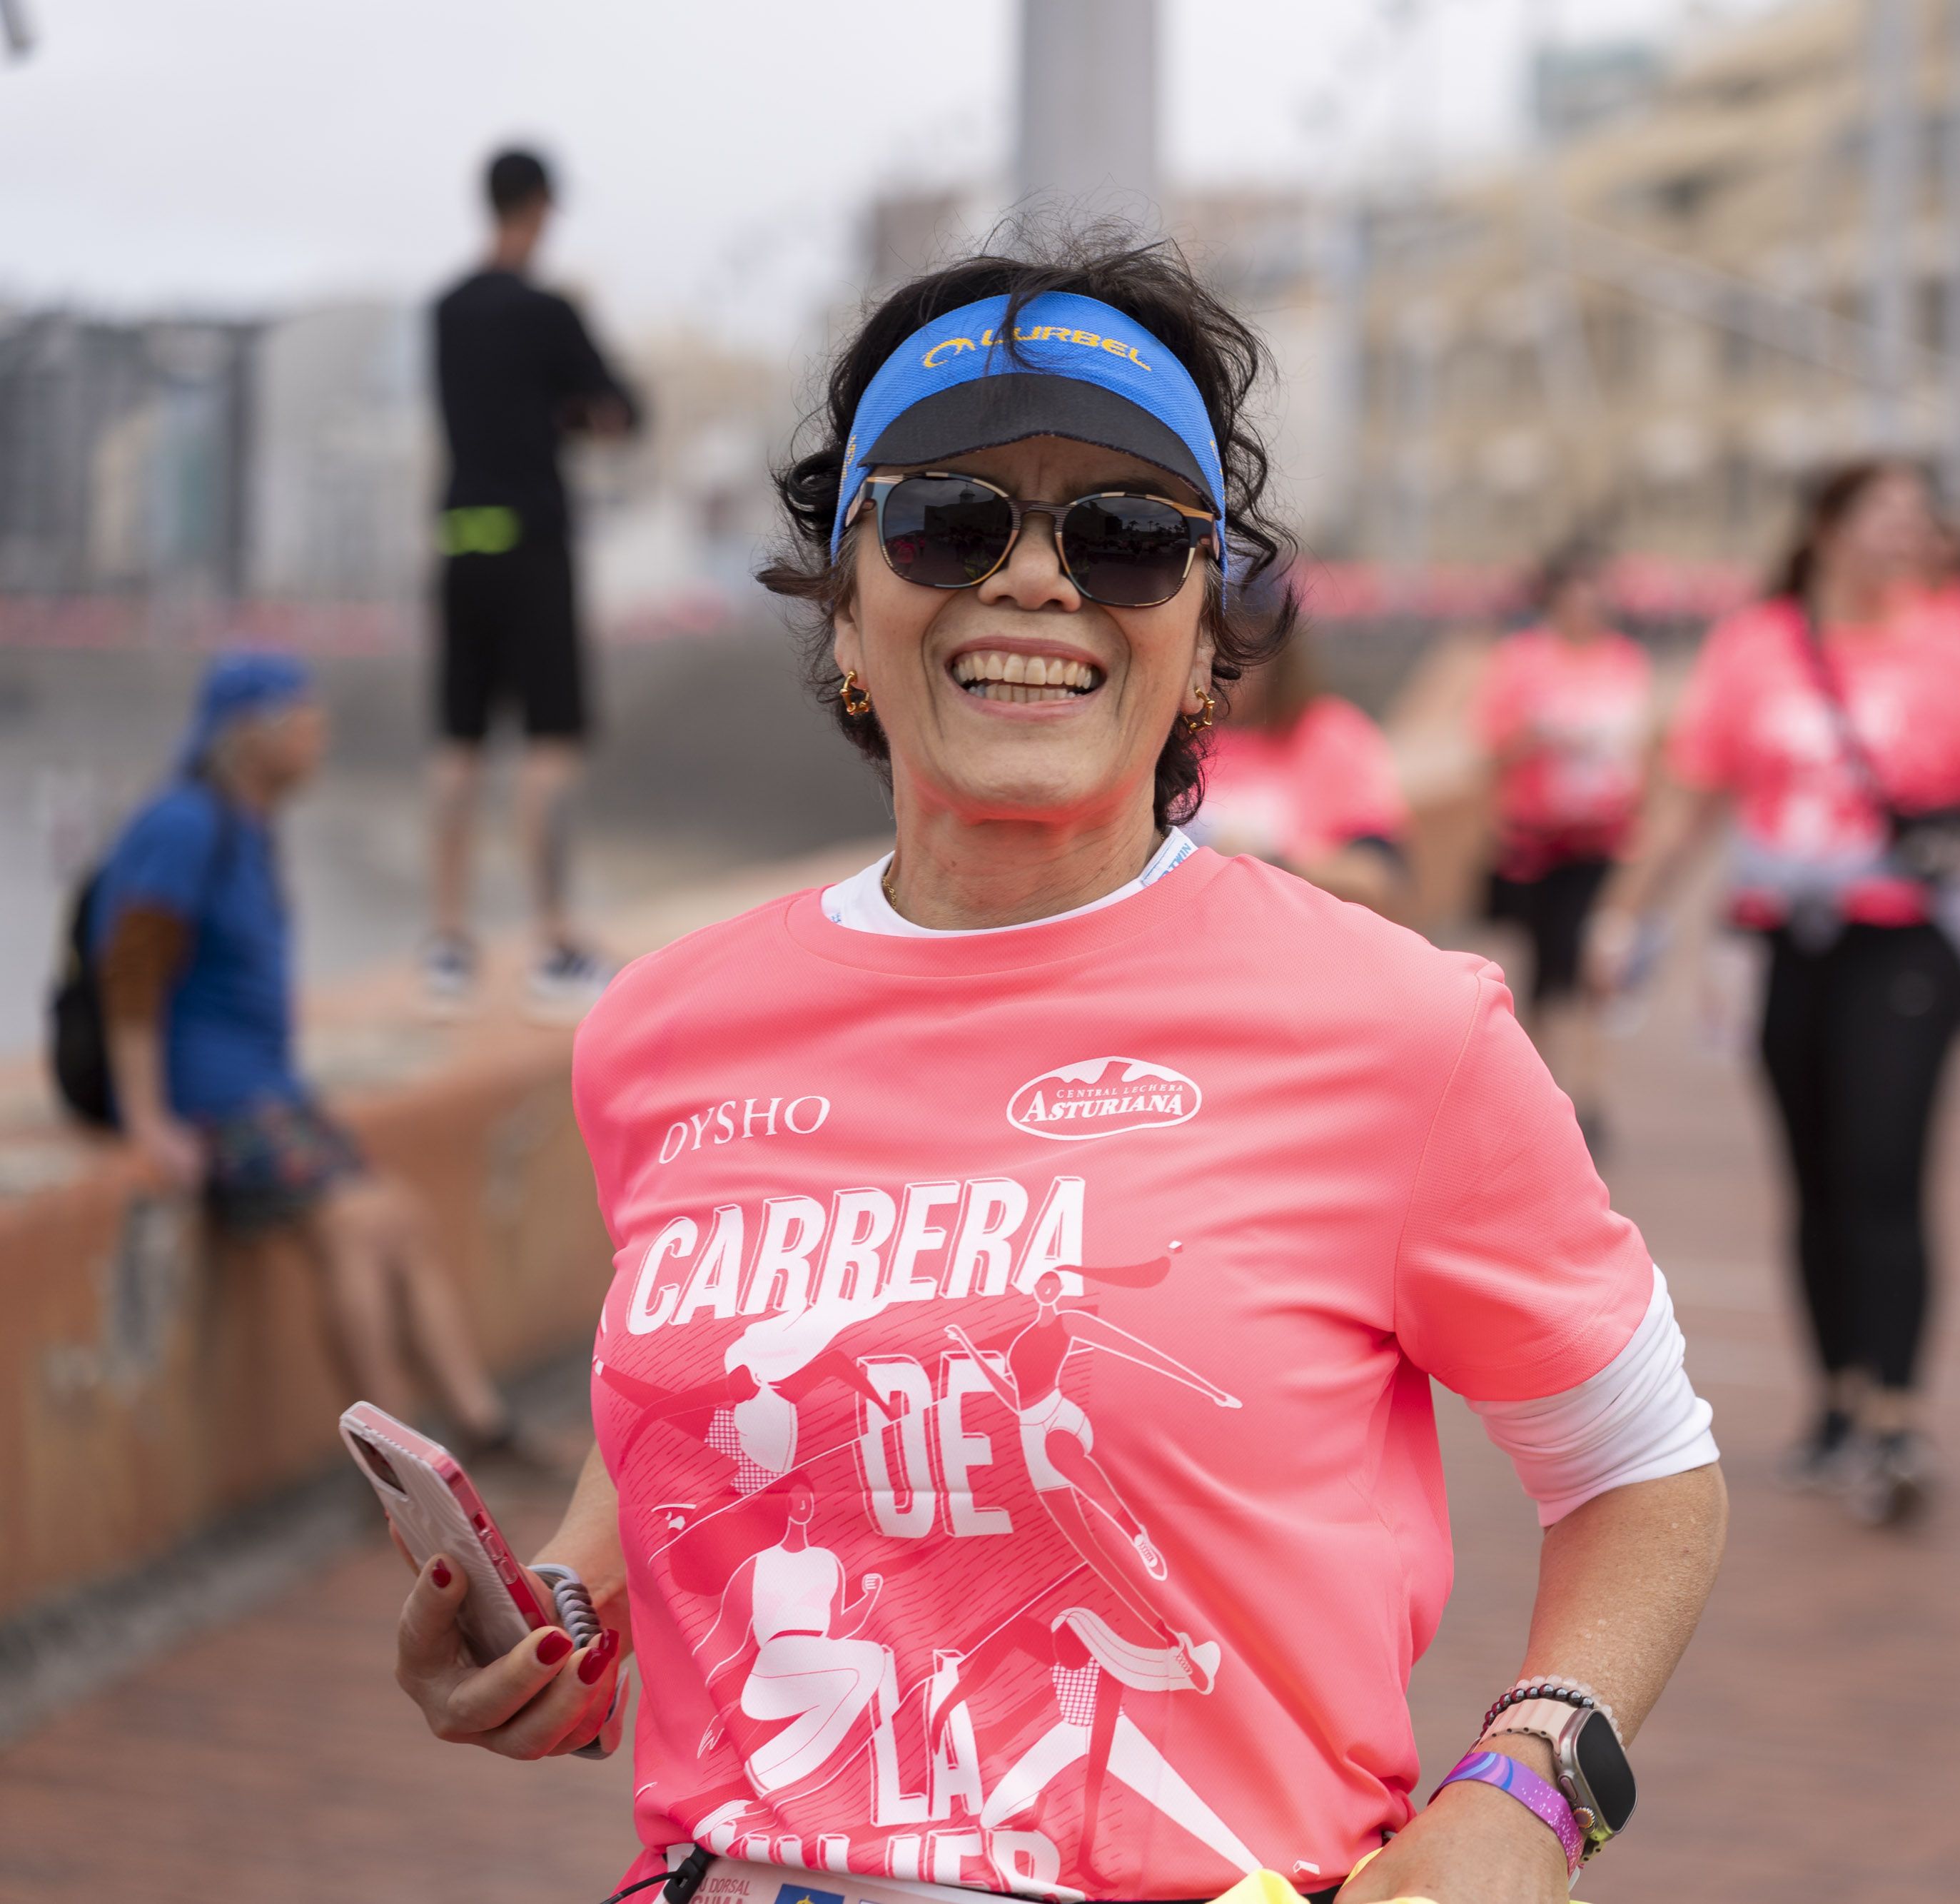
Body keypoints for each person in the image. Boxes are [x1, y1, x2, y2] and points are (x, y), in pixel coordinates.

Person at [389, 236, 1726, 1904]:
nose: (1036, 581)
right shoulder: (662, 1031)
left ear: (1201, 643)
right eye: (954, 522)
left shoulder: (1395, 1029)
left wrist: (1527, 1794)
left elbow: (1639, 1466)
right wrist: (566, 1614)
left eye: (1123, 536)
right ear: (849, 610)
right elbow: (699, 1381)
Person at [1586, 460, 1960, 1526]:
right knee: (1813, 1179)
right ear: (1829, 528)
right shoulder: (1755, 646)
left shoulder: (1959, 649)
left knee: (1883, 1167)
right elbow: (1688, 805)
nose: (1911, 534)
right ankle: (1837, 1400)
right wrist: (1626, 918)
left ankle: (1898, 1415)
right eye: (1887, 514)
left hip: (1903, 949)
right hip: (1781, 951)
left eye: (1921, 516)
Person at [93, 654, 525, 1453]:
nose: (322, 738)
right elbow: (130, 972)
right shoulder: (186, 823)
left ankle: (479, 1425)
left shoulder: (243, 824)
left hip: (266, 1094)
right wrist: (149, 1118)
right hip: (214, 1102)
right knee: (357, 1225)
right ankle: (399, 1468)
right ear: (252, 735)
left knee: (400, 1215)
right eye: (306, 722)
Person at [425, 146, 642, 1018]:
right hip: (532, 540)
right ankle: (552, 944)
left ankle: (447, 947)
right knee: (549, 744)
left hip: (458, 533)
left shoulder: (443, 311)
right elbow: (622, 411)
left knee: (458, 745)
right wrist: (575, 412)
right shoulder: (550, 312)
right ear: (543, 208)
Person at [1475, 541, 1650, 1149]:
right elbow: (1493, 749)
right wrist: (1544, 733)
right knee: (1541, 972)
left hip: (1602, 840)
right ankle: (1545, 1094)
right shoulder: (1521, 661)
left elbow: (1643, 749)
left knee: (1594, 970)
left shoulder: (1624, 660)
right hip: (1533, 841)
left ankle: (1590, 1095)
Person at [1182, 633, 1410, 916]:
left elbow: (1378, 877)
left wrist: (1267, 863)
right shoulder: (1176, 736)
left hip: (1292, 929)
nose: (1224, 670)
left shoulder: (1328, 732)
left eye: (1241, 650)